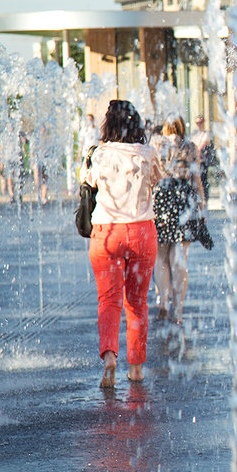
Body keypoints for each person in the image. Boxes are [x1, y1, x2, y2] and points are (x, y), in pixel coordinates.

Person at [81, 100, 161, 388]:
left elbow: (87, 181)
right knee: (137, 302)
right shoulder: (148, 154)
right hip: (141, 232)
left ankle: (110, 358)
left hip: (106, 231)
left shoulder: (99, 154)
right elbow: (156, 181)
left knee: (109, 300)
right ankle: (136, 368)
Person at [150, 116, 205, 325]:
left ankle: (163, 302)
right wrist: (202, 206)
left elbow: (152, 176)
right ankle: (178, 310)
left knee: (161, 255)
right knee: (180, 257)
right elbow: (197, 178)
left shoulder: (156, 144)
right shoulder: (190, 147)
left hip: (162, 199)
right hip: (184, 199)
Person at [190, 115, 217, 204]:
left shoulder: (206, 134)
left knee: (203, 179)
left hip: (202, 161)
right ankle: (196, 198)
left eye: (200, 122)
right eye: (197, 123)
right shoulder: (194, 134)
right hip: (195, 160)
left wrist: (196, 149)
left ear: (203, 122)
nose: (199, 125)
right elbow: (191, 143)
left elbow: (202, 145)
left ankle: (204, 198)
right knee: (195, 180)